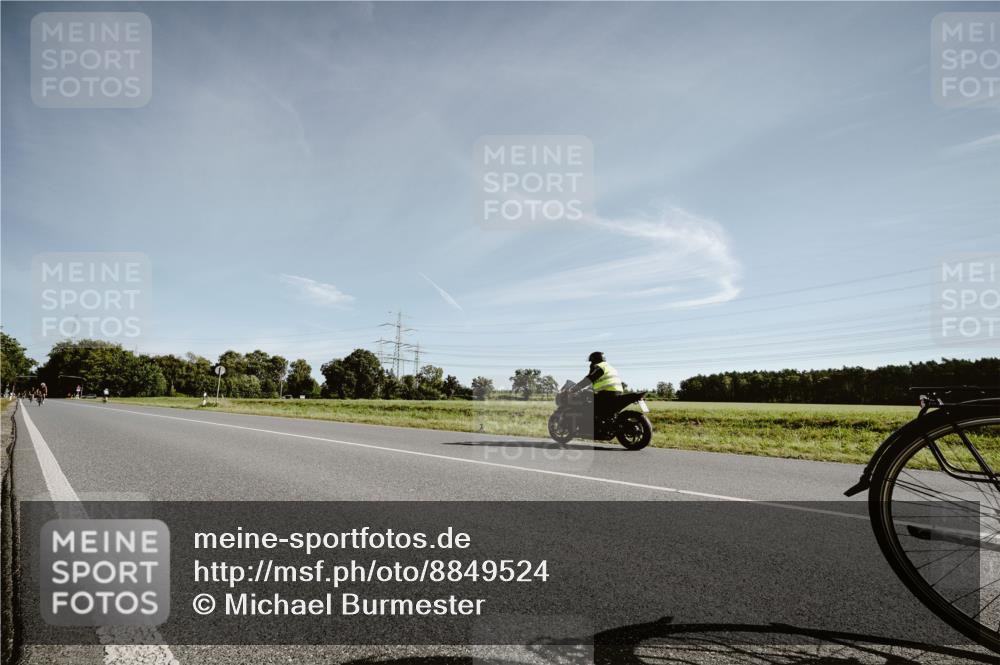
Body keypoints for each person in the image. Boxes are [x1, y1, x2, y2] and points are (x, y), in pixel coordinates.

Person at [571, 351, 624, 425]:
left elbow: (589, 379)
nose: (590, 364)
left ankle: (586, 424)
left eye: (591, 361)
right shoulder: (609, 367)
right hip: (618, 392)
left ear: (595, 360)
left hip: (607, 392)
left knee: (586, 406)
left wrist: (575, 388)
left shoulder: (599, 366)